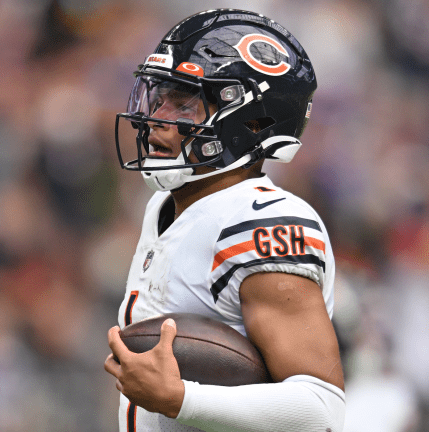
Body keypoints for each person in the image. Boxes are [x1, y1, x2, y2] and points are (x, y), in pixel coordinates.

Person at [104, 9, 345, 432]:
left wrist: (182, 399)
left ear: (249, 121)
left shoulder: (261, 222)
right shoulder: (166, 204)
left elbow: (320, 408)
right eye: (158, 96)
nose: (158, 118)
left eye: (184, 103)